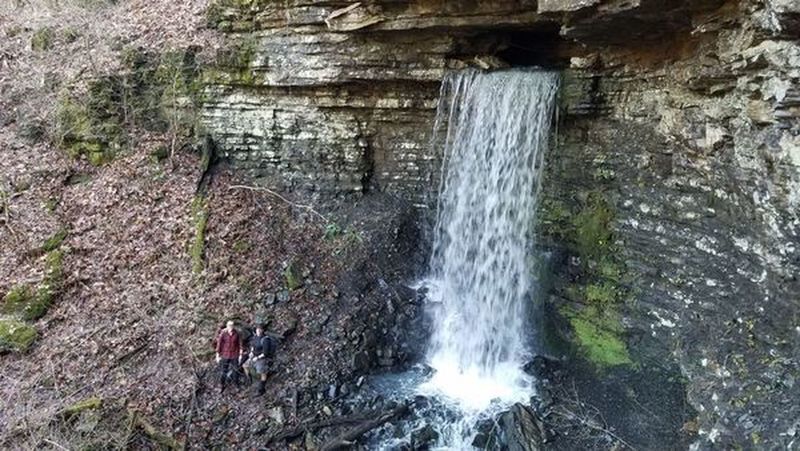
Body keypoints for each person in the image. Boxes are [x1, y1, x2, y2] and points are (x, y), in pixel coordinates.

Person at [243, 324, 274, 396]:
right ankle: (249, 380)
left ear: (263, 330)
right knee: (245, 365)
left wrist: (257, 358)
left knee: (262, 372)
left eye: (260, 329)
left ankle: (261, 388)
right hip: (254, 356)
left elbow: (265, 353)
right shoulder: (255, 337)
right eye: (257, 329)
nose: (259, 331)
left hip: (262, 358)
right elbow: (253, 346)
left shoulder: (265, 339)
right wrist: (251, 353)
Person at [215, 320, 244, 393]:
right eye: (229, 326)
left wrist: (240, 355)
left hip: (234, 354)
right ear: (227, 326)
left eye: (232, 326)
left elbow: (240, 344)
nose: (230, 327)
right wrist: (217, 355)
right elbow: (219, 344)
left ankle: (236, 385)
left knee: (235, 371)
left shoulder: (237, 333)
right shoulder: (223, 333)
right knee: (223, 371)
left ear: (233, 326)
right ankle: (221, 385)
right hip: (225, 354)